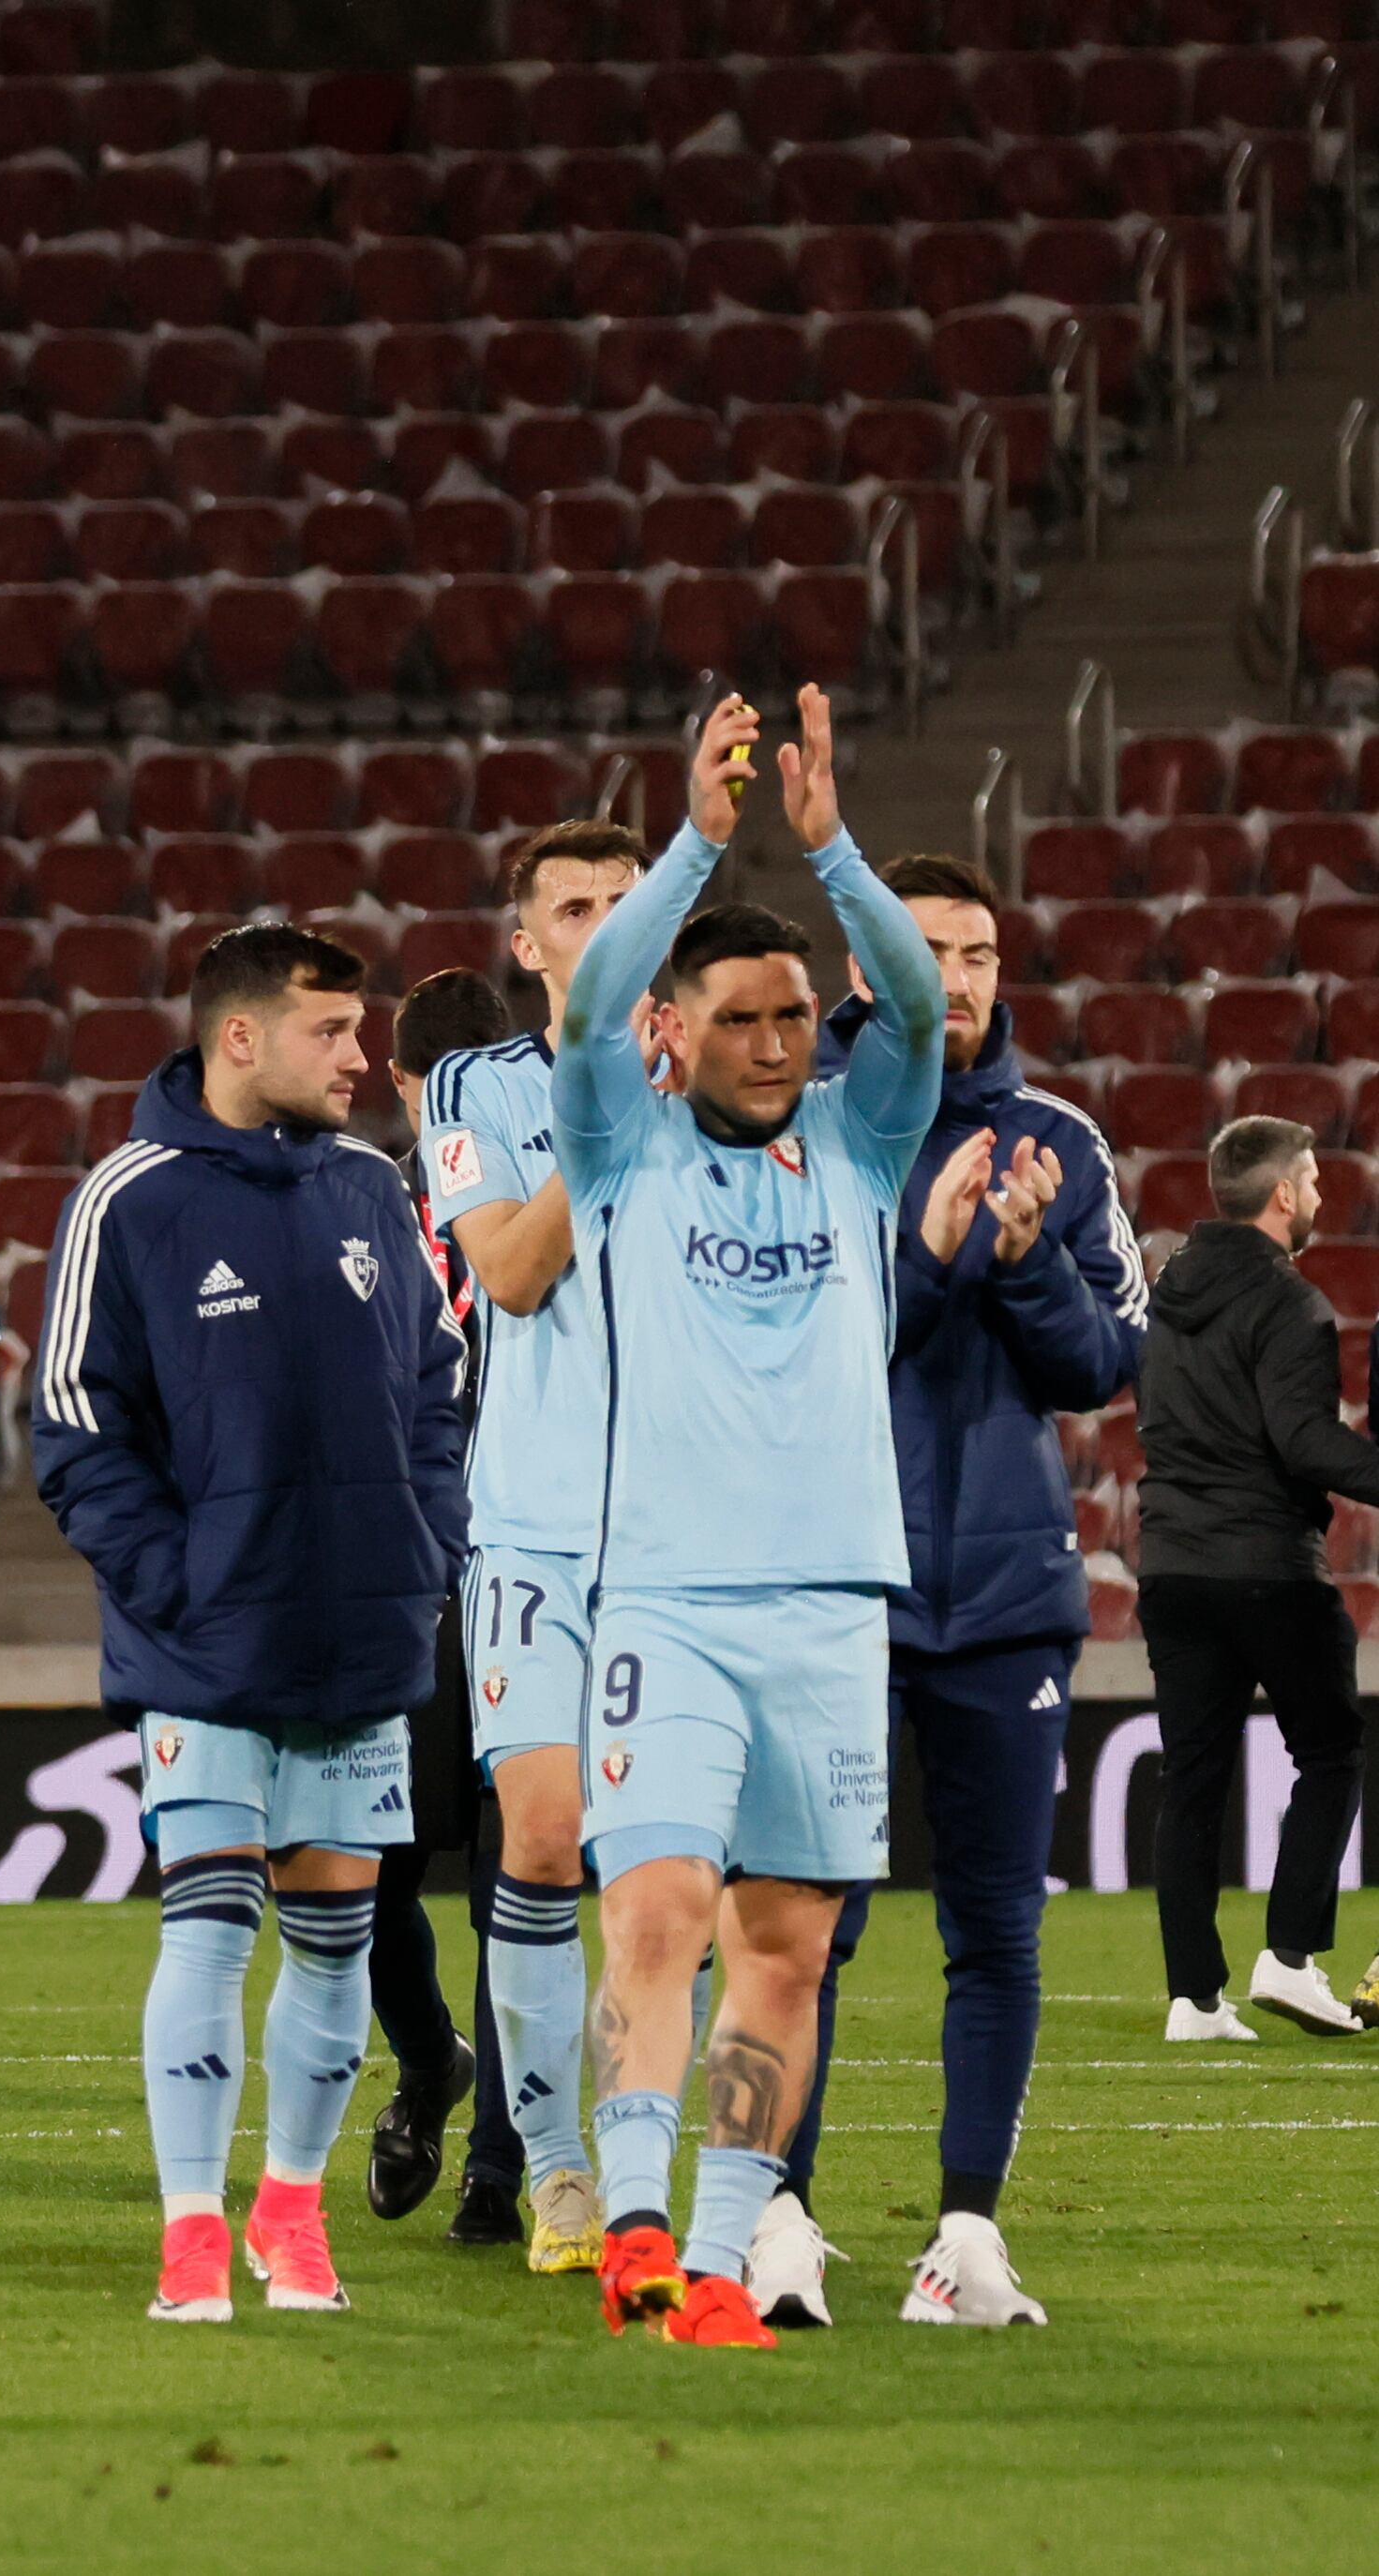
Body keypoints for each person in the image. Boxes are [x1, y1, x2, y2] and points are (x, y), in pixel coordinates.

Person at [553, 685, 944, 2352]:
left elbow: (916, 1009)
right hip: (670, 1599)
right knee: (652, 1918)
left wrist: (834, 852)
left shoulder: (861, 1147)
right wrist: (699, 846)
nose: (783, 1038)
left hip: (835, 1605)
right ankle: (634, 2224)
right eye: (746, 1016)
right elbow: (577, 1015)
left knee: (783, 1954)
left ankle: (716, 2260)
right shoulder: (623, 1148)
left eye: (797, 1014)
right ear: (681, 1031)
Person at [33, 924, 467, 2324]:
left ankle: (292, 2211)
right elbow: (78, 1427)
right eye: (332, 1032)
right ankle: (189, 2232)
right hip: (206, 1651)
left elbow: (441, 1394)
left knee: (336, 1944)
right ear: (240, 1038)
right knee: (210, 1933)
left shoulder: (373, 1190)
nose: (361, 1057)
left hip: (362, 1642)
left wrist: (424, 1551)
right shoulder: (131, 1198)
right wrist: (183, 1581)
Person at [748, 852, 1144, 2329]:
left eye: (978, 950)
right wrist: (923, 1262)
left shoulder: (1062, 1140)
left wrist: (1030, 1262)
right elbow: (772, 1348)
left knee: (998, 1927)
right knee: (804, 1929)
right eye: (929, 950)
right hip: (832, 1587)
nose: (959, 975)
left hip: (1003, 1589)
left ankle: (968, 2235)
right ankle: (777, 2211)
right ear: (868, 968)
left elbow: (1107, 1365)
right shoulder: (798, 1129)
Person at [414, 818, 653, 2275]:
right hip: (535, 1530)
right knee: (545, 1838)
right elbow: (508, 1267)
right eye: (576, 906)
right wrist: (621, 1119)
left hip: (685, 1537)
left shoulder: (738, 1089)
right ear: (528, 942)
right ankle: (557, 2167)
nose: (606, 923)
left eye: (630, 902)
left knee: (662, 1875)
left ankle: (648, 2162)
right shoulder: (476, 1083)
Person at [1134, 1115, 1379, 2041]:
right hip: (1268, 1565)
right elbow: (1303, 1441)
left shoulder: (1168, 1293)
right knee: (1328, 1749)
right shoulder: (1292, 1304)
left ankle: (1192, 1998)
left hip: (1171, 1566)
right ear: (1281, 1194)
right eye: (1311, 1180)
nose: (1319, 1196)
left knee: (1191, 1775)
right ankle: (1289, 1956)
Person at [367, 968, 525, 2239]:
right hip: (415, 1578)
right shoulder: (364, 1212)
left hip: (509, 1572)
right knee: (373, 1868)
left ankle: (497, 2158)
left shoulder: (528, 1213)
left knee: (510, 1873)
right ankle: (434, 2061)